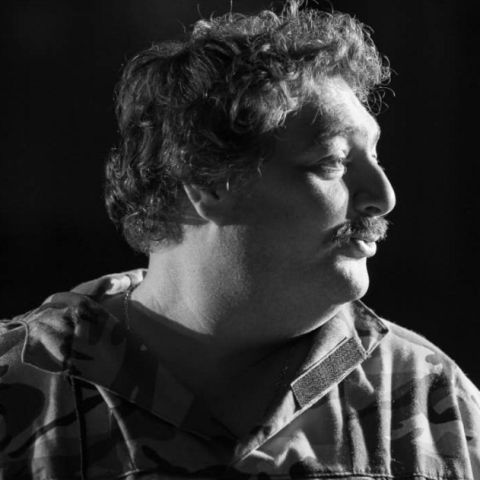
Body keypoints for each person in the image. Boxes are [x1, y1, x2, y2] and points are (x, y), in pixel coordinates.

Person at [1, 2, 479, 479]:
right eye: (332, 161)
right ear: (208, 181)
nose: (384, 197)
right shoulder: (20, 382)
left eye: (375, 156)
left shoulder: (434, 397)